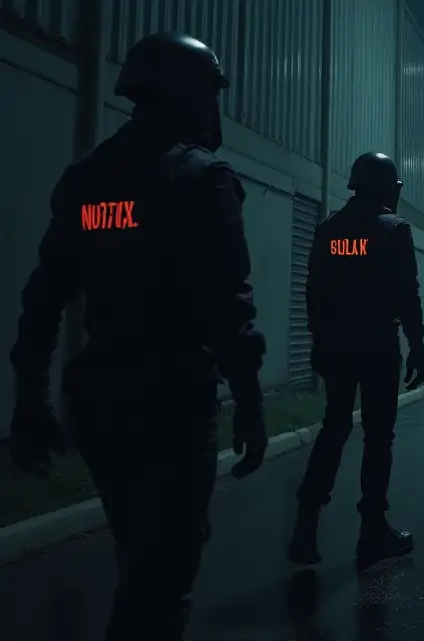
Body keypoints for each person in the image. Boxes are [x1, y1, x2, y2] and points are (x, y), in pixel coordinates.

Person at [8, 31, 268, 641]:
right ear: (192, 96)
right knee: (163, 577)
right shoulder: (203, 180)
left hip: (102, 403)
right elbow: (229, 308)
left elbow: (42, 300)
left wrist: (30, 400)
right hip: (172, 404)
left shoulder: (89, 180)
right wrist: (250, 404)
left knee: (140, 561)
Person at [288, 152, 424, 568]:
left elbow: (312, 290)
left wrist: (317, 339)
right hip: (377, 345)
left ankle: (304, 526)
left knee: (334, 426)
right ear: (389, 188)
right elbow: (408, 294)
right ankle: (372, 531)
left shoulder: (329, 229)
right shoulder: (393, 230)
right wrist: (417, 345)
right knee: (378, 435)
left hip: (336, 344)